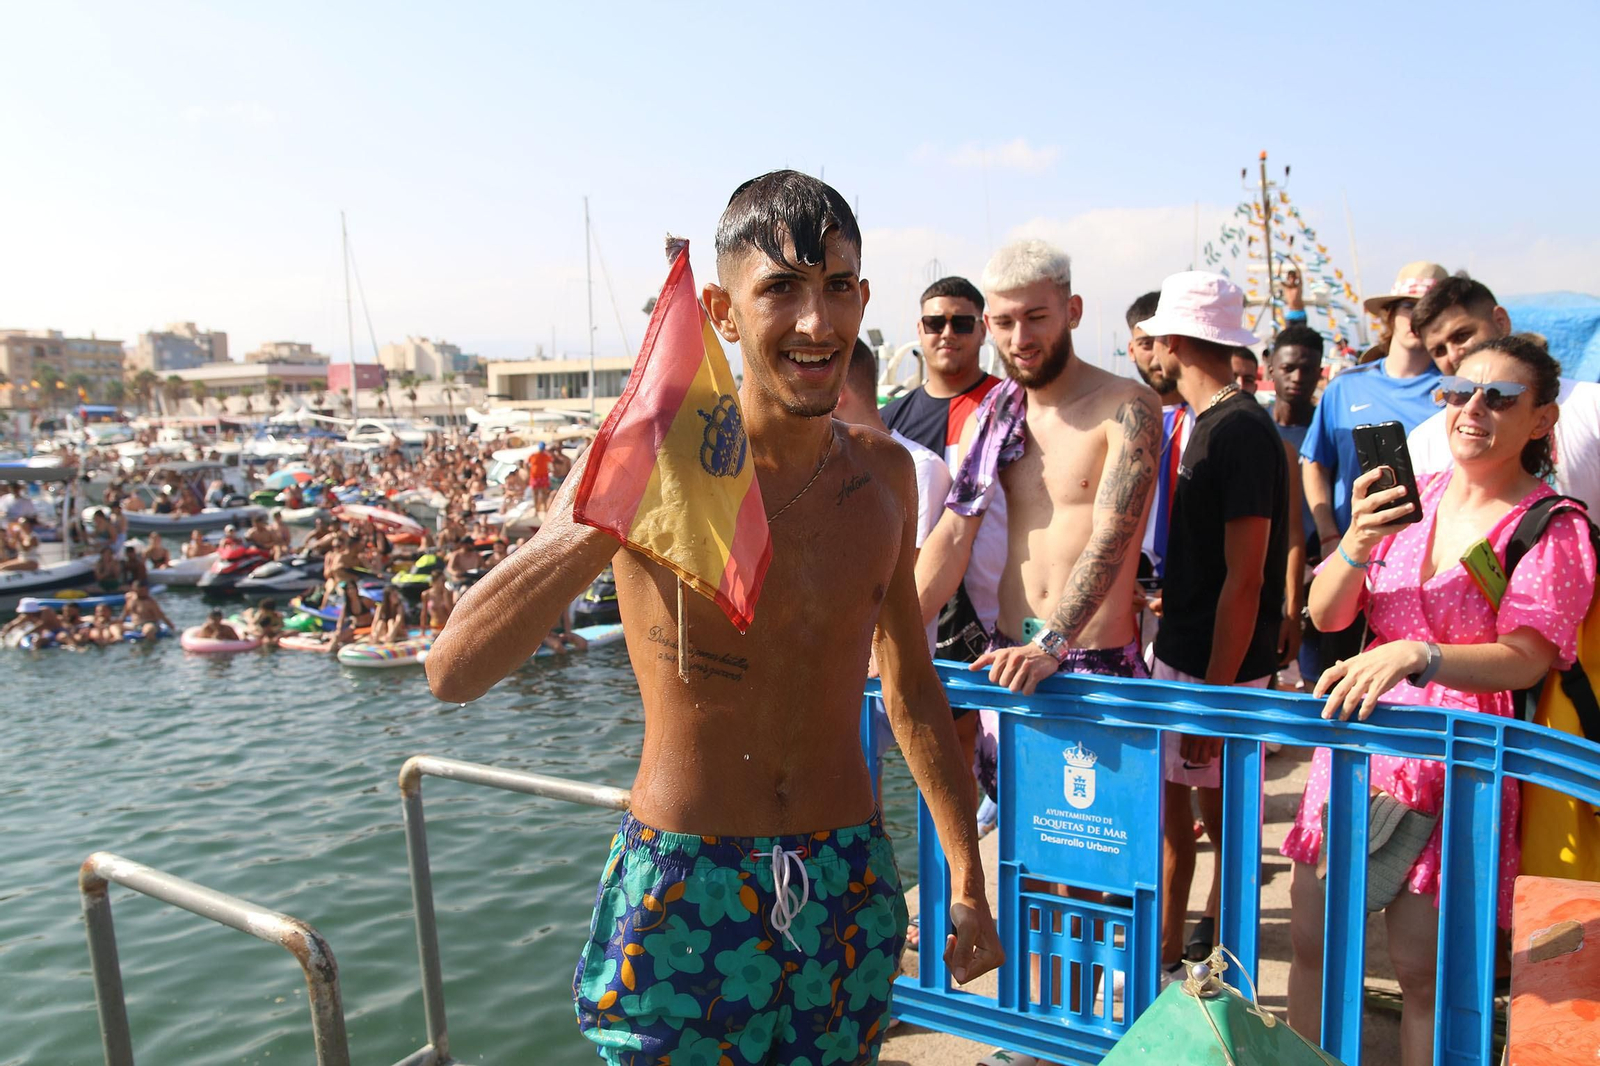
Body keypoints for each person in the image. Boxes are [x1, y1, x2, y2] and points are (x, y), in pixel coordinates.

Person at [426, 169, 1001, 1064]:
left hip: (845, 876)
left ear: (863, 301)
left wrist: (966, 873)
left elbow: (911, 685)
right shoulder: (651, 459)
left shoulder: (884, 476)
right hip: (687, 882)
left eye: (837, 287)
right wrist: (616, 499)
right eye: (781, 290)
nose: (815, 322)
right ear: (722, 313)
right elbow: (453, 669)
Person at [1285, 334, 1594, 1064]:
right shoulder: (1407, 498)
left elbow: (1527, 657)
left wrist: (1419, 655)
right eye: (1458, 391)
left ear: (1542, 420)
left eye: (1500, 397)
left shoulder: (1552, 525)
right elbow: (1326, 614)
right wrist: (1358, 540)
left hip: (1461, 759)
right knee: (1312, 944)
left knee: (1424, 971)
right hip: (1360, 740)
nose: (1472, 408)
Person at [1138, 271, 1289, 977]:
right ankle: (1173, 953)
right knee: (1179, 823)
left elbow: (1247, 577)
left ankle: (1213, 957)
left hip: (1214, 669)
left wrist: (1217, 699)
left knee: (1218, 824)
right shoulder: (1215, 422)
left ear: (1171, 341)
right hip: (1190, 654)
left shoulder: (1238, 430)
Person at [1299, 261, 1447, 679]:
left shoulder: (1454, 393)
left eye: (1430, 310)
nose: (1418, 318)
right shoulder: (1346, 386)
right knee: (1329, 682)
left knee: (1400, 686)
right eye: (1409, 307)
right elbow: (1315, 462)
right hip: (1350, 561)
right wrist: (1328, 534)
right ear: (1390, 314)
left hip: (1417, 576)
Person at [834, 337, 953, 792]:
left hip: (881, 670)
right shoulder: (826, 467)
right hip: (840, 668)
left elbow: (911, 579)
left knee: (855, 788)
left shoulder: (918, 467)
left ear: (838, 392)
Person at [1408, 272, 1600, 509]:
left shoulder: (1592, 406)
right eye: (1439, 350)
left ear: (1500, 321)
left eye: (1462, 335)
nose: (1453, 354)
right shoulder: (1425, 441)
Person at [1266, 325, 1325, 684]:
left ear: (1320, 371)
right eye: (1289, 368)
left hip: (1319, 574)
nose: (1298, 378)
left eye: (1307, 369)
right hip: (1264, 574)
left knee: (1316, 683)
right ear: (1271, 368)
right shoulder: (1255, 429)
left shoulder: (1329, 431)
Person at [528, 442, 553, 515]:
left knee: (543, 493)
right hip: (535, 477)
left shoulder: (545, 456)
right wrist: (529, 471)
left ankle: (544, 509)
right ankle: (536, 509)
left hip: (543, 476)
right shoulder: (533, 455)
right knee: (535, 494)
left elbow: (550, 462)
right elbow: (526, 463)